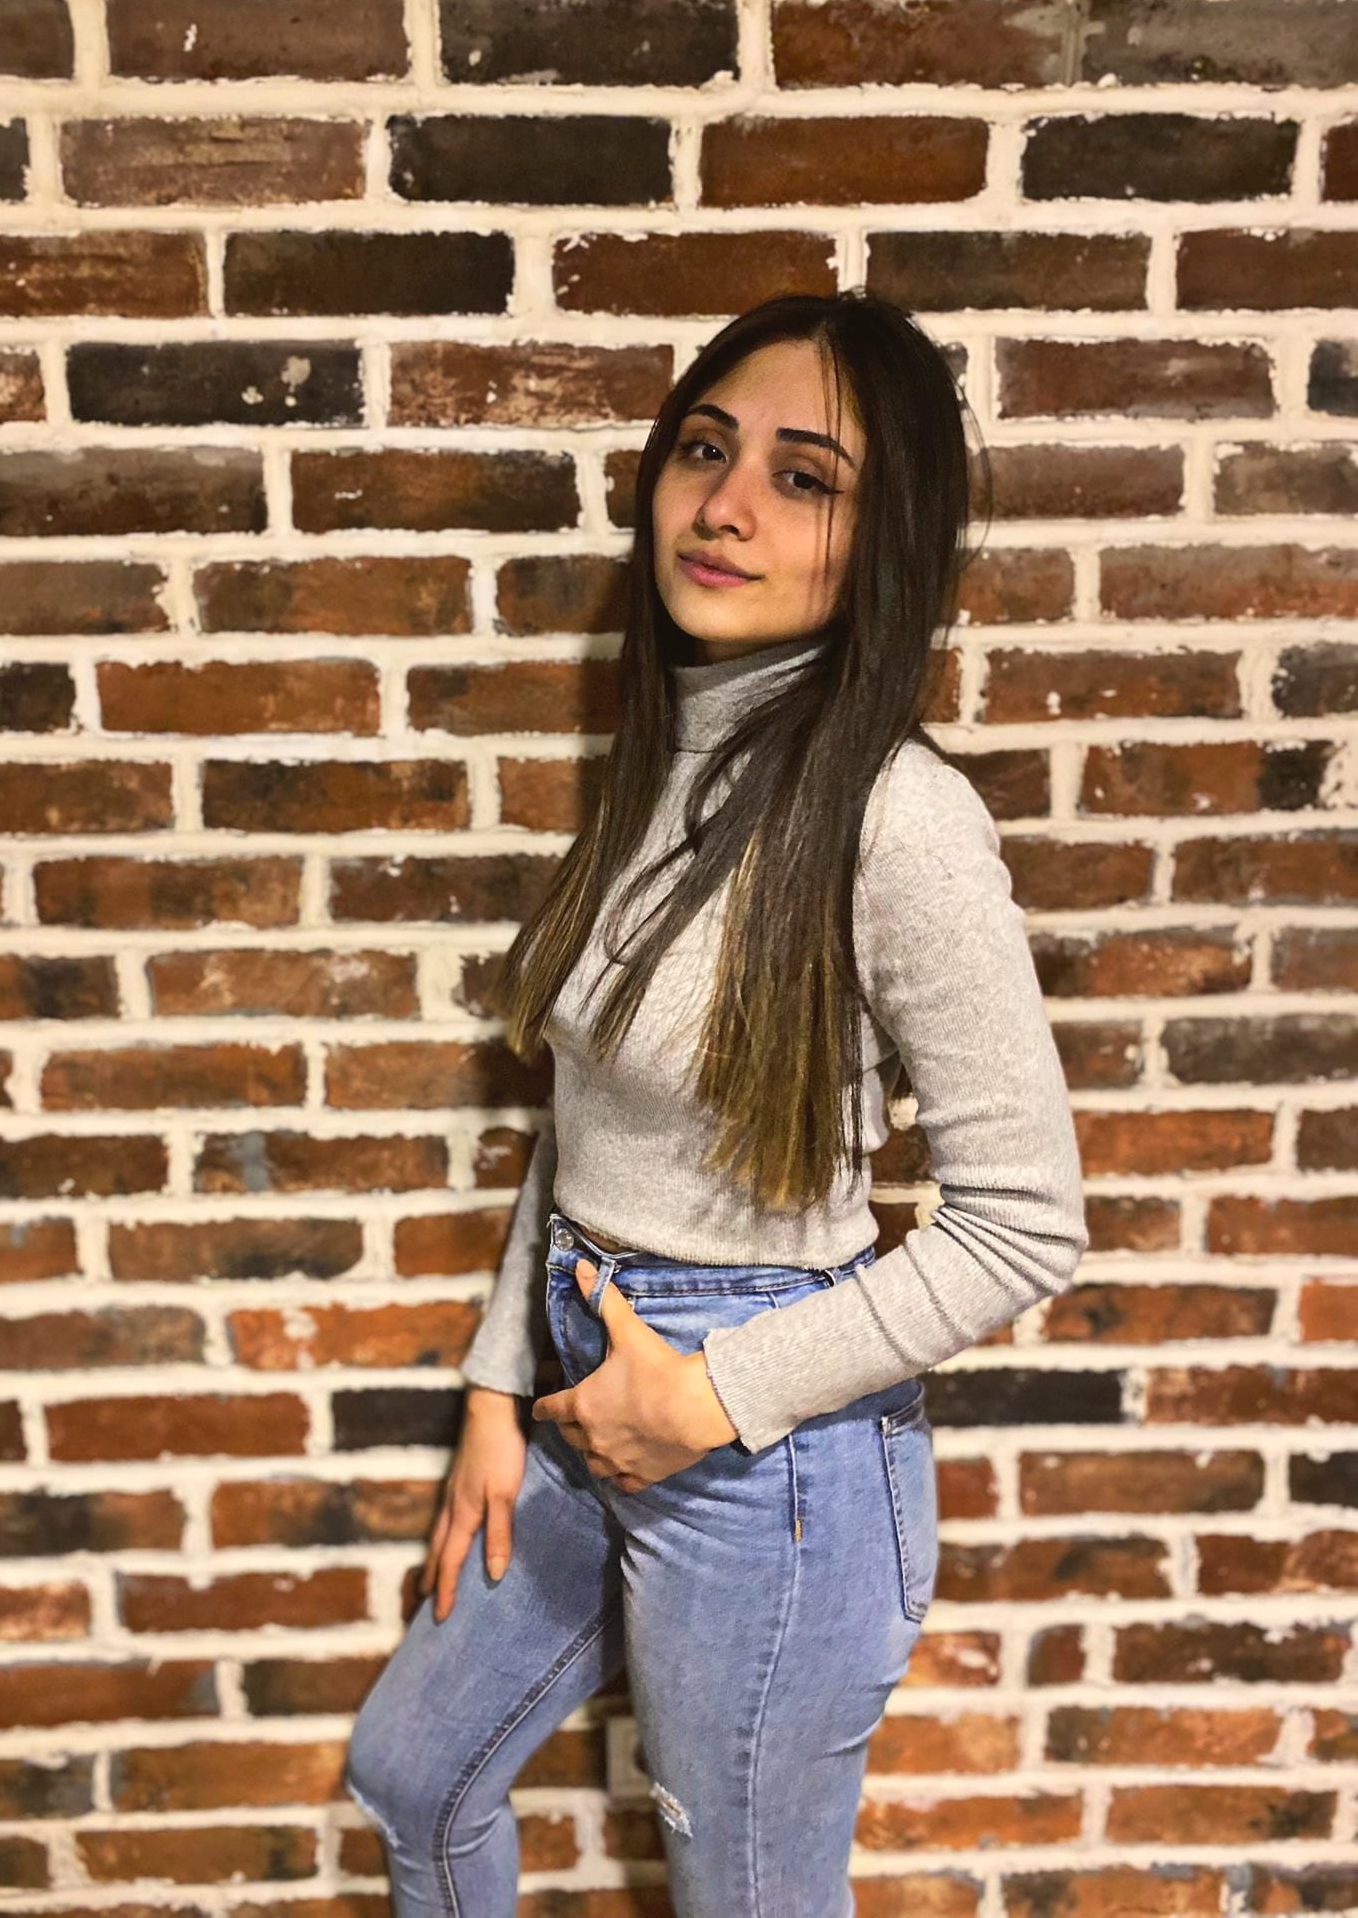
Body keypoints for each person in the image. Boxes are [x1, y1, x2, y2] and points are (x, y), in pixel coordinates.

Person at [344, 291, 1089, 1916]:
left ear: (883, 540)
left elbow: (1027, 1225)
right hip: (582, 1384)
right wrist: (497, 1387)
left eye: (804, 478)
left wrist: (707, 1399)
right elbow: (581, 1120)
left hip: (767, 1456)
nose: (726, 504)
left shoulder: (899, 816)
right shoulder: (659, 764)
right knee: (414, 1772)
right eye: (705, 450)